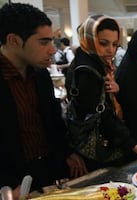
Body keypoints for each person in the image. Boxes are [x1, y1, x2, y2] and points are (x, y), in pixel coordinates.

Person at [0, 2, 86, 196]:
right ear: (13, 40)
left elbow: (53, 120)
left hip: (47, 170)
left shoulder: (40, 74)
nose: (52, 50)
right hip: (11, 181)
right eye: (43, 42)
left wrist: (67, 153)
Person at [65, 15, 137, 172]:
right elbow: (103, 117)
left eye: (114, 44)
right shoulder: (87, 72)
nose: (110, 50)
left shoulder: (94, 62)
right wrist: (136, 147)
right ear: (89, 39)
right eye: (103, 43)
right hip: (98, 145)